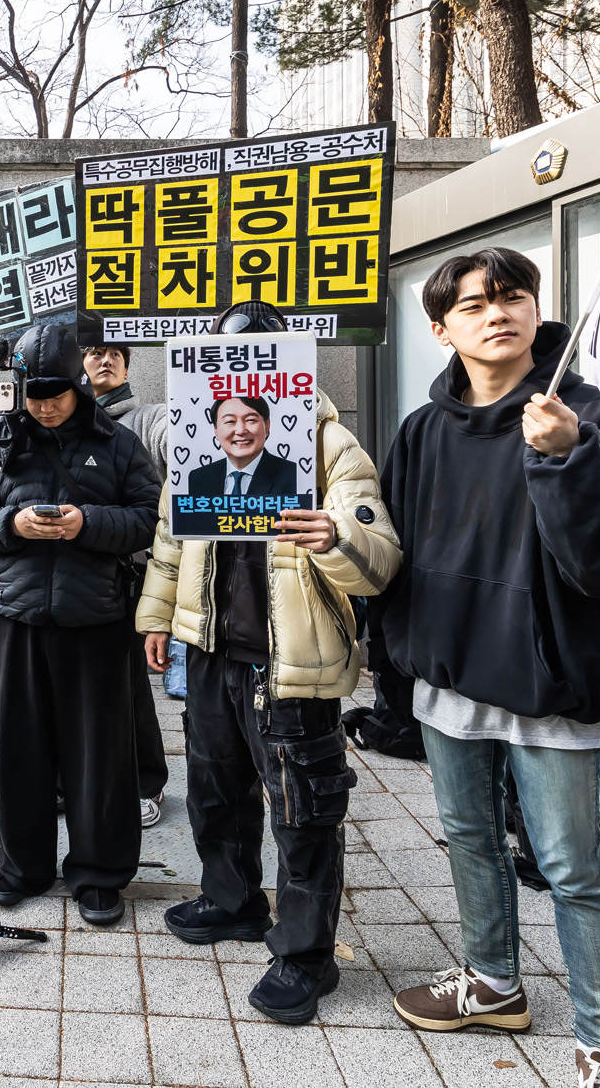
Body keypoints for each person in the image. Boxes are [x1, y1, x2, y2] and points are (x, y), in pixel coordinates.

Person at [373, 249, 600, 1088]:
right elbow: (403, 556)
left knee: (573, 868)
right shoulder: (422, 430)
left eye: (511, 295)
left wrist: (570, 456)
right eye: (473, 304)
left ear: (536, 309)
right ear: (441, 329)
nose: (497, 313)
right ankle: (492, 983)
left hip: (551, 688)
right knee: (472, 840)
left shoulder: (592, 411)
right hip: (451, 679)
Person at [138, 300, 402, 1024]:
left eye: (256, 392)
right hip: (212, 656)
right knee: (215, 790)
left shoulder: (327, 444)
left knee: (303, 812)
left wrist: (335, 534)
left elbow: (378, 559)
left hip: (291, 664)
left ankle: (305, 957)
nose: (242, 419)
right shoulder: (197, 448)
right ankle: (231, 901)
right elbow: (170, 542)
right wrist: (159, 618)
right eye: (227, 391)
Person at [0, 323, 159, 927]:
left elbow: (150, 519)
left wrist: (86, 524)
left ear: (79, 386)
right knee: (18, 745)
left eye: (55, 395)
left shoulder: (118, 444)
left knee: (99, 750)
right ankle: (22, 865)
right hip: (17, 617)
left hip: (97, 618)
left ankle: (98, 874)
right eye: (33, 395)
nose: (43, 407)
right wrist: (11, 526)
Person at [82, 343, 171, 828]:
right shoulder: (60, 422)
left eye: (116, 352)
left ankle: (145, 783)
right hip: (76, 578)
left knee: (130, 687)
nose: (105, 359)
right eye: (94, 352)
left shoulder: (146, 418)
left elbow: (175, 432)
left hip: (131, 572)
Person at [187, 397, 300, 499]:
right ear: (216, 430)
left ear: (267, 426)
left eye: (250, 420)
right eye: (230, 421)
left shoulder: (294, 475)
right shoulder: (199, 478)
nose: (241, 430)